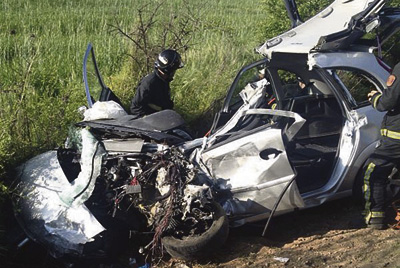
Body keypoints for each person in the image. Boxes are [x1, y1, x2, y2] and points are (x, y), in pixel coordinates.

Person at [362, 62, 400, 229]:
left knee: (374, 172)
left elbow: (387, 102)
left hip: (395, 139)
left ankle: (375, 218)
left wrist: (374, 97)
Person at [130, 49, 184, 118]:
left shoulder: (163, 81)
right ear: (169, 70)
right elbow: (135, 108)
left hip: (160, 119)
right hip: (147, 122)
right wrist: (146, 120)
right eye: (174, 70)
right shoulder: (149, 82)